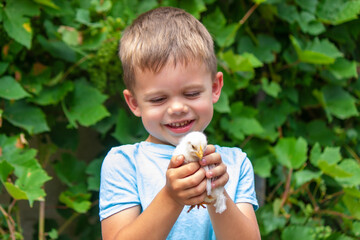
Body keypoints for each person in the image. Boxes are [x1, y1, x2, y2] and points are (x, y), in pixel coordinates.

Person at [99, 6, 260, 240]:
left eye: (192, 93)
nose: (177, 108)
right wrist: (171, 197)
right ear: (134, 103)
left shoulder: (235, 165)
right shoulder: (124, 165)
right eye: (158, 99)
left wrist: (216, 193)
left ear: (214, 88)